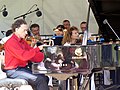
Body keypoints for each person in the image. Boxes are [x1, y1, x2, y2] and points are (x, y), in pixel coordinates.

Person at [4, 19, 49, 90]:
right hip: (13, 71)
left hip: (21, 69)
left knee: (45, 78)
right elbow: (24, 56)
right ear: (16, 29)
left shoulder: (22, 42)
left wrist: (45, 55)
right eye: (24, 30)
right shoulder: (11, 42)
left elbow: (31, 53)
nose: (26, 32)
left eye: (26, 30)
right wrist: (37, 49)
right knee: (40, 79)